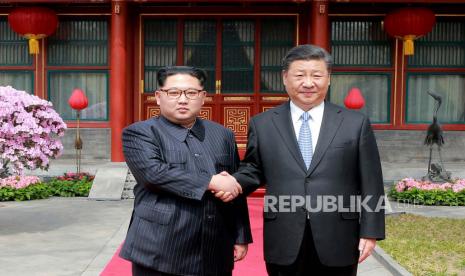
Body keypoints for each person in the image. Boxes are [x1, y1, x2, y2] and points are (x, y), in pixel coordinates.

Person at [212, 44, 385, 275]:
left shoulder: (355, 123)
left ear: (329, 78)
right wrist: (233, 183)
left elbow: (371, 180)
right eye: (300, 75)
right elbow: (254, 169)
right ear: (285, 78)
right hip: (283, 235)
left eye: (316, 75)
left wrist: (370, 231)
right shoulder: (263, 124)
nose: (308, 83)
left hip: (339, 235)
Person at [119, 66, 252, 276]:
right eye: (173, 92)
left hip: (214, 246)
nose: (183, 99)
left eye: (191, 93)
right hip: (159, 248)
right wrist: (211, 181)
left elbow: (234, 188)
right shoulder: (140, 133)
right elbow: (153, 174)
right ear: (158, 97)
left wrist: (241, 235)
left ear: (202, 97)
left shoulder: (223, 135)